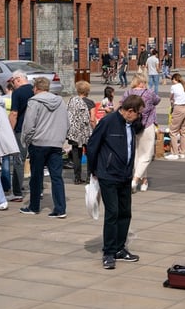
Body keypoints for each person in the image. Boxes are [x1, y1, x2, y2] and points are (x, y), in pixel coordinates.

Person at [87, 94, 144, 270]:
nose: (139, 116)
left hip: (125, 175)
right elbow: (92, 145)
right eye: (138, 113)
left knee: (125, 212)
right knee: (112, 213)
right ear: (129, 111)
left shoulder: (131, 123)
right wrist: (94, 170)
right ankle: (109, 252)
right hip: (108, 174)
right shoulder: (108, 122)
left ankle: (120, 248)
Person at [19, 77, 68, 218]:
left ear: (36, 88)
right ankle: (60, 208)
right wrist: (61, 138)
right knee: (57, 177)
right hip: (55, 143)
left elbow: (28, 125)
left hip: (39, 143)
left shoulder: (34, 102)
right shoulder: (60, 101)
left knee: (36, 176)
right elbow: (66, 121)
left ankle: (34, 206)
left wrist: (26, 141)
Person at [122, 72, 161, 191]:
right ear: (141, 82)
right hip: (147, 125)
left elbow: (121, 106)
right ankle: (135, 180)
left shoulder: (127, 93)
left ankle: (144, 180)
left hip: (131, 126)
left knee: (137, 154)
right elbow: (157, 100)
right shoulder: (149, 93)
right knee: (146, 154)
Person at [5, 69, 33, 203]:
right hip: (36, 130)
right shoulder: (35, 90)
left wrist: (9, 130)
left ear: (18, 79)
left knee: (18, 160)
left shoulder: (17, 93)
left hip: (21, 130)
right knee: (35, 160)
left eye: (13, 82)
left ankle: (17, 192)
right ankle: (37, 190)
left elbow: (14, 114)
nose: (12, 84)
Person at [66, 81, 95, 185]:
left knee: (76, 155)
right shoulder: (90, 102)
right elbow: (92, 119)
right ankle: (89, 177)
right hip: (87, 132)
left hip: (74, 132)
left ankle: (77, 177)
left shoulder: (71, 101)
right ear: (87, 90)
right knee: (89, 154)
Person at [165, 73, 185, 160]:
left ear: (174, 79)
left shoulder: (174, 87)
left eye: (172, 80)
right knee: (183, 132)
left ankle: (175, 153)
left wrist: (172, 103)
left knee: (173, 131)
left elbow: (171, 98)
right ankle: (182, 152)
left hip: (179, 108)